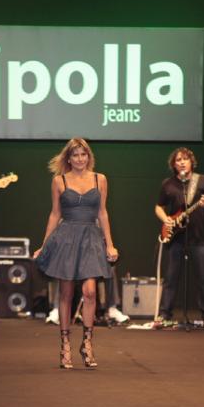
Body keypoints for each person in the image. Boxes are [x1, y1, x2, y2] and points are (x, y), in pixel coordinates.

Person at [33, 137, 118, 368]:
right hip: (66, 239)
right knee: (66, 293)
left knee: (90, 291)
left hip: (91, 238)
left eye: (83, 154)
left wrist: (110, 244)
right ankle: (65, 346)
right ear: (68, 159)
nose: (80, 159)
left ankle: (87, 344)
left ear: (89, 157)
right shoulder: (59, 181)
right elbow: (55, 214)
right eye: (75, 155)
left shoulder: (100, 179)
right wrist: (44, 244)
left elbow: (103, 213)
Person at [154, 147, 204, 329]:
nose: (182, 162)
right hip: (176, 237)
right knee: (171, 277)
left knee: (203, 276)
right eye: (178, 160)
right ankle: (164, 315)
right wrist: (166, 219)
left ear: (191, 162)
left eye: (185, 159)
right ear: (173, 164)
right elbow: (158, 207)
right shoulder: (168, 184)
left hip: (198, 237)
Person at [45, 272, 130, 325]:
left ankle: (112, 308)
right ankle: (57, 309)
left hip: (91, 259)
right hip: (73, 257)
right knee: (63, 266)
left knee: (110, 267)